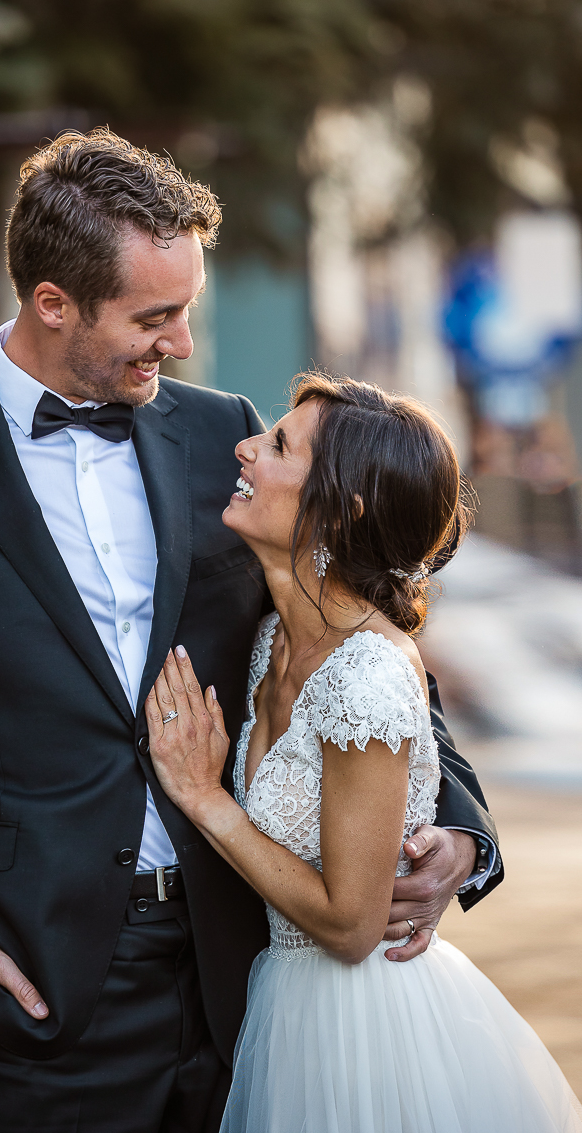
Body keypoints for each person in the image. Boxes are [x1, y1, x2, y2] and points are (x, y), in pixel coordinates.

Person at [0, 129, 499, 1133]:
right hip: (38, 982)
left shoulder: (227, 440)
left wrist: (461, 825)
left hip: (249, 967)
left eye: (188, 308)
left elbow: (363, 649)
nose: (183, 343)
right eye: (155, 316)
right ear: (53, 303)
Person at [146, 371, 582, 1133]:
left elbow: (351, 927)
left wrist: (205, 799)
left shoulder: (368, 672)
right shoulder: (269, 639)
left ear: (338, 511)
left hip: (367, 1028)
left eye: (279, 444)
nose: (245, 448)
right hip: (279, 1007)